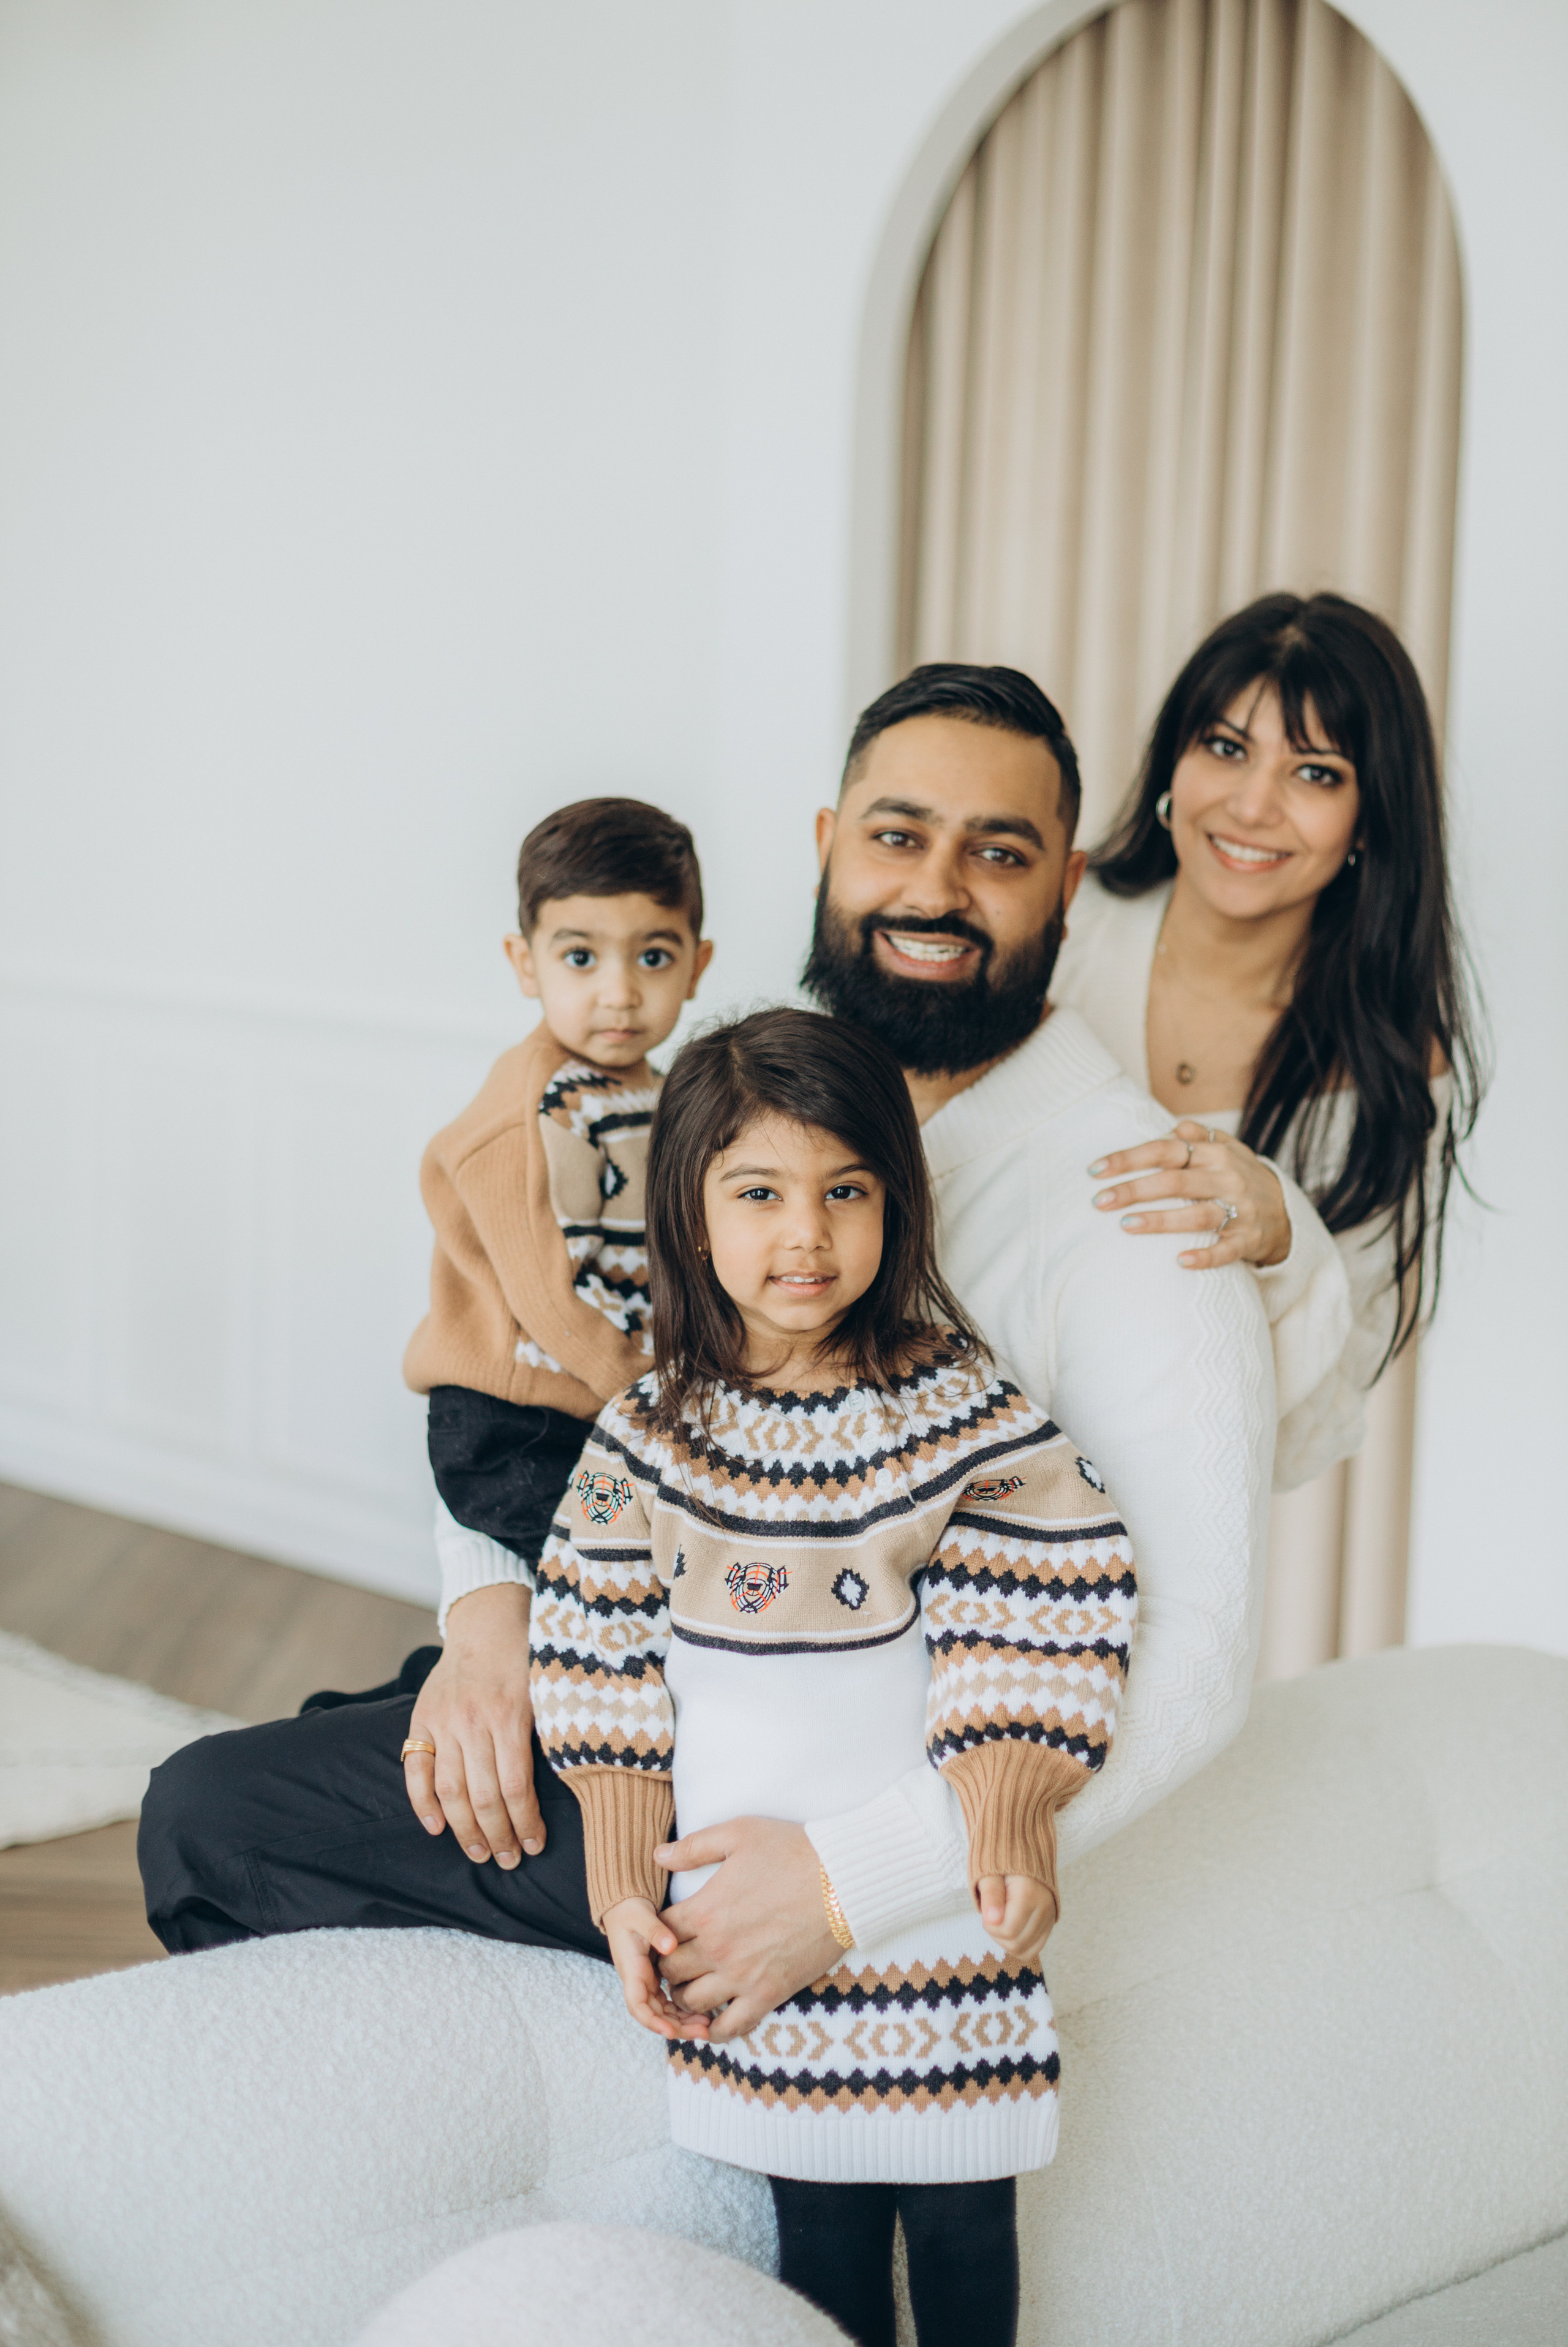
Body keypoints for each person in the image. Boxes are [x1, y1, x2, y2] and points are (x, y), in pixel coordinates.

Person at [140, 668, 1270, 2063]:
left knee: (213, 1817)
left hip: (804, 1785)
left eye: (997, 852)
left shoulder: (1142, 1208)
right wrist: (497, 1612)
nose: (932, 888)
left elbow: (1197, 1657)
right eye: (895, 835)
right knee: (372, 1720)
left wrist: (846, 1885)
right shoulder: (755, 1090)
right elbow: (540, 1362)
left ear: (1068, 886)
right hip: (647, 1659)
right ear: (825, 844)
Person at [536, 1006, 1136, 2347]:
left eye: (843, 1192)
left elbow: (1045, 1600)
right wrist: (624, 1877)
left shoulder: (953, 1411)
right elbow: (592, 1655)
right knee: (818, 2245)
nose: (803, 1236)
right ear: (692, 1218)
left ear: (893, 1205)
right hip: (754, 1949)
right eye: (758, 1194)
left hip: (925, 1926)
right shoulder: (649, 1438)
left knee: (973, 2232)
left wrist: (1007, 1810)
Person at [1049, 593, 1485, 1486]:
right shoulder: (1054, 930)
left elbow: (1326, 1408)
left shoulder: (1390, 1064)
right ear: (1175, 758)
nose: (1252, 806)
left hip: (1183, 1515)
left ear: (1371, 819)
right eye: (1226, 747)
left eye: (1316, 773)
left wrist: (1286, 1239)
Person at [399, 795, 712, 1868]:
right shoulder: (525, 1112)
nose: (618, 992)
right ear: (524, 961)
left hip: (597, 1400)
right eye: (580, 955)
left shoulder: (660, 1095)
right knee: (606, 1598)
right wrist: (648, 1396)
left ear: (699, 962)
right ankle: (582, 1803)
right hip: (513, 1413)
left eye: (653, 956)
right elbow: (550, 1302)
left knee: (632, 1584)